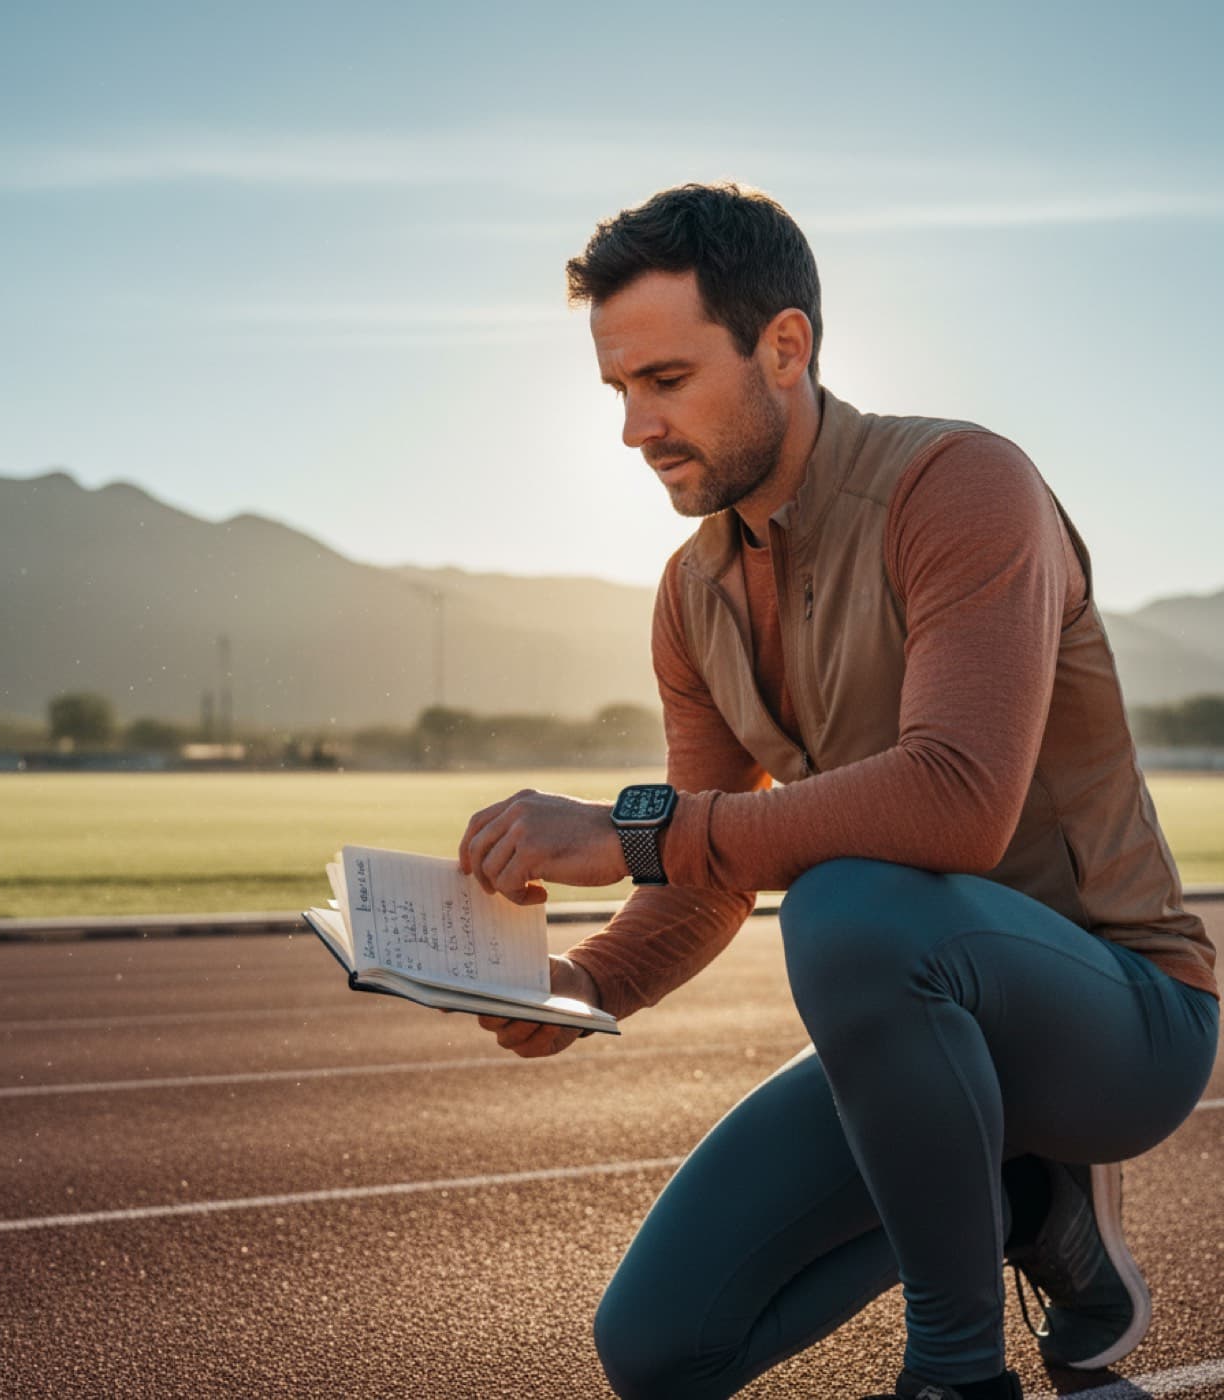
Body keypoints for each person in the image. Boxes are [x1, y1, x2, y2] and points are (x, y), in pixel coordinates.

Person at [456, 183, 1219, 1400]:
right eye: (616, 391)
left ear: (784, 347)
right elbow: (702, 882)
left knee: (844, 903)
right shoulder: (689, 593)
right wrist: (583, 982)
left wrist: (631, 826)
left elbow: (953, 802)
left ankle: (955, 1375)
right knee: (657, 1348)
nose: (632, 428)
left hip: (1121, 1018)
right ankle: (1031, 1200)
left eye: (664, 379)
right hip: (919, 1017)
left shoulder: (957, 483)